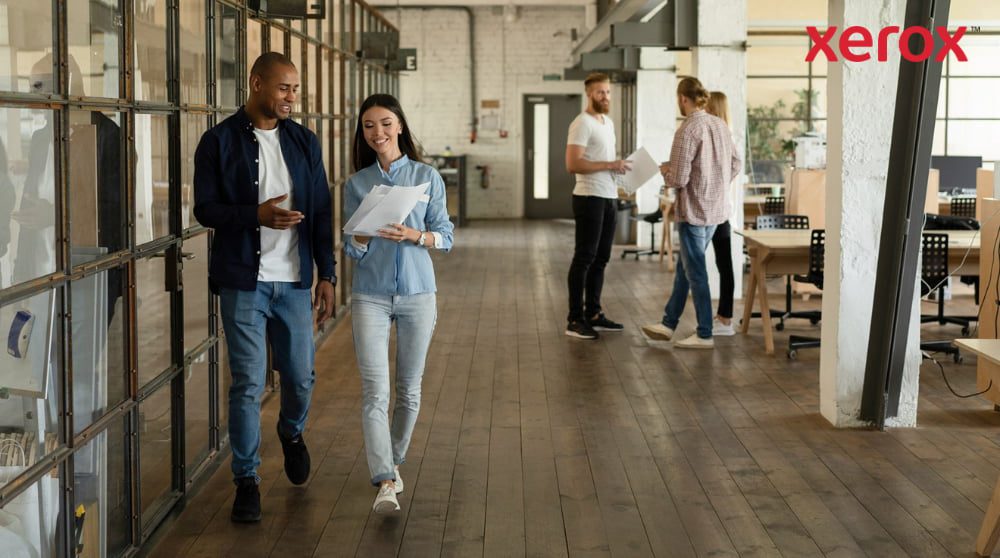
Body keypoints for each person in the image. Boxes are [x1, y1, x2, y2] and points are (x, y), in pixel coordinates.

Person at [193, 52, 335, 523]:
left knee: (299, 377)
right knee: (248, 384)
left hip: (293, 282)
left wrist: (327, 275)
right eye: (284, 88)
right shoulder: (217, 142)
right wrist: (254, 215)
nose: (292, 97)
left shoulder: (304, 142)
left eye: (296, 89)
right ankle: (246, 480)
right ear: (256, 84)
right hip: (243, 283)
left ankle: (291, 433)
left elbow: (320, 212)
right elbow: (205, 210)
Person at [344, 94, 453, 514]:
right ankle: (385, 479)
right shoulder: (357, 184)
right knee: (375, 390)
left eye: (386, 123)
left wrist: (416, 236)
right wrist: (361, 235)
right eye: (369, 126)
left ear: (400, 126)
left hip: (418, 294)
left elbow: (446, 236)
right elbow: (351, 249)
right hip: (369, 295)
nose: (378, 133)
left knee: (408, 390)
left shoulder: (427, 177)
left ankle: (395, 458)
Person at [642, 77, 741, 349]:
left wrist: (665, 171)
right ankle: (668, 323)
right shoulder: (719, 124)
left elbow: (678, 179)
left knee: (696, 273)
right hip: (716, 211)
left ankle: (705, 333)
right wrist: (716, 185)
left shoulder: (686, 130)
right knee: (686, 271)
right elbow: (736, 163)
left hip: (693, 212)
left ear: (682, 99)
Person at [564, 72, 632, 340]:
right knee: (584, 258)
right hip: (588, 197)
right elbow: (573, 164)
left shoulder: (608, 123)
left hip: (608, 196)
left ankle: (593, 313)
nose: (606, 97)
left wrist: (620, 170)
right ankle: (574, 319)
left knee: (601, 259)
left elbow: (602, 161)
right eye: (600, 92)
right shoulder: (581, 123)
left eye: (608, 92)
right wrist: (610, 165)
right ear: (589, 94)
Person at [705, 91, 737, 337]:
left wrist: (717, 183)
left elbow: (735, 164)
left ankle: (724, 319)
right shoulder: (724, 132)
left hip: (716, 210)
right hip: (720, 209)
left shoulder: (719, 133)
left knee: (721, 264)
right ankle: (723, 318)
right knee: (723, 264)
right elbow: (735, 164)